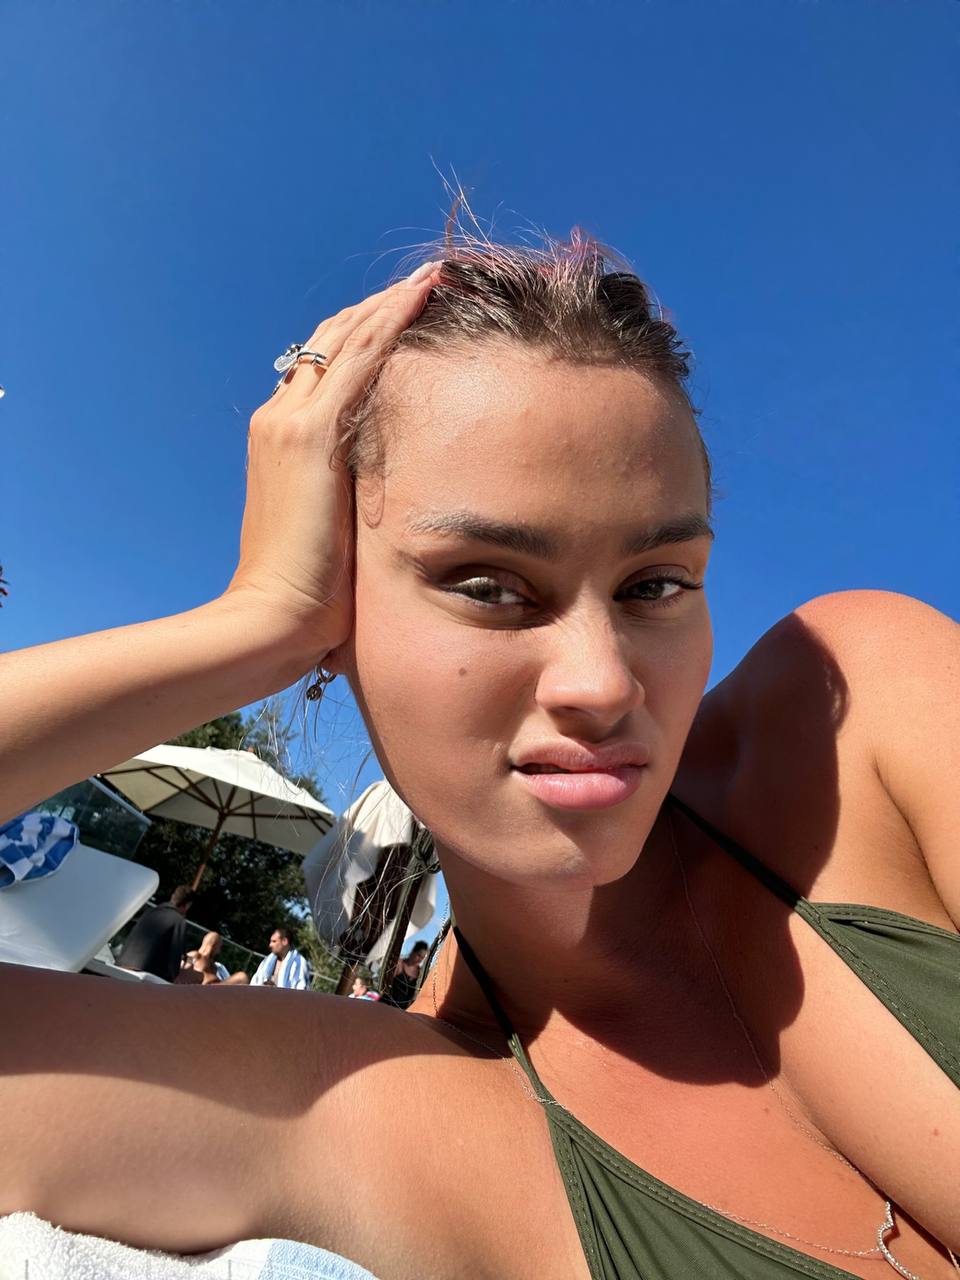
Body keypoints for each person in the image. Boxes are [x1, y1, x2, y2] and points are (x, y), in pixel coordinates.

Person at [1, 231, 957, 1280]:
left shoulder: (857, 723)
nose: (602, 681)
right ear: (339, 612)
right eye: (489, 585)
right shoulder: (369, 1106)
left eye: (655, 584)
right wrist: (252, 621)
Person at [115, 885, 194, 983]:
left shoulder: (151, 912)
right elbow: (174, 958)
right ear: (188, 905)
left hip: (121, 965)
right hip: (144, 975)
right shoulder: (179, 921)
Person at [383, 942, 428, 1010]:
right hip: (386, 1004)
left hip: (403, 1010)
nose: (420, 959)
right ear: (413, 952)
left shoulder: (420, 973)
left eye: (422, 957)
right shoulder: (399, 964)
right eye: (419, 955)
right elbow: (385, 983)